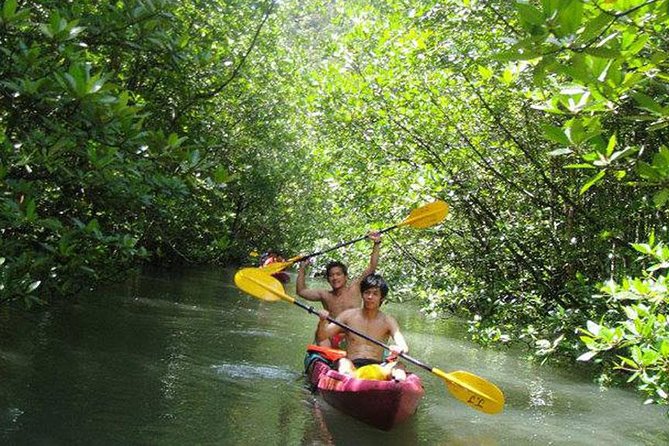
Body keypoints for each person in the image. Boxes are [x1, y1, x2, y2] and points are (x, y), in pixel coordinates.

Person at [316, 273, 408, 381]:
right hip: (353, 366)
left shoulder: (388, 321)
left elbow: (404, 347)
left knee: (399, 365)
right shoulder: (348, 316)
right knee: (343, 362)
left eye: (375, 294)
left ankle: (398, 384)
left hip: (377, 367)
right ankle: (348, 382)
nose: (370, 297)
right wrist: (322, 322)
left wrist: (399, 349)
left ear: (381, 298)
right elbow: (322, 337)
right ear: (362, 294)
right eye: (367, 292)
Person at [296, 232, 381, 348]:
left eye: (338, 274)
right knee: (321, 336)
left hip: (353, 336)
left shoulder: (356, 287)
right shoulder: (324, 295)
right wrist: (302, 268)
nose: (335, 278)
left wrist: (376, 243)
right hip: (331, 336)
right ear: (328, 279)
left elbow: (372, 267)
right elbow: (301, 291)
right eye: (331, 275)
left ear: (345, 277)